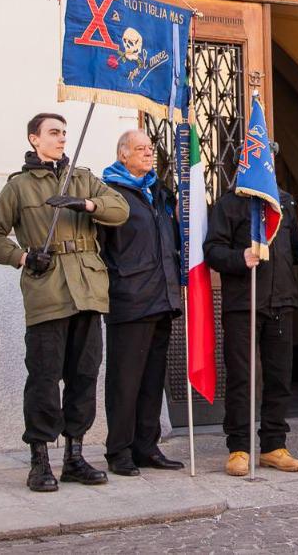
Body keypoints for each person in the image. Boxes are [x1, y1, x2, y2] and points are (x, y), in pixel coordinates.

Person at [0, 112, 129, 491]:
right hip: (48, 292)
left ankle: (75, 456)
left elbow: (120, 209)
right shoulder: (20, 187)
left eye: (64, 133)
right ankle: (40, 459)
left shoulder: (83, 178)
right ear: (34, 140)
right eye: (54, 133)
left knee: (84, 376)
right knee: (44, 379)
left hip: (88, 292)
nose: (62, 139)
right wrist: (23, 258)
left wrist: (86, 205)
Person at [203, 180, 298, 477]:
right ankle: (239, 447)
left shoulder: (284, 200)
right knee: (241, 378)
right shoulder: (229, 203)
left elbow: (295, 248)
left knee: (280, 378)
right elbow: (212, 250)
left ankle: (274, 446)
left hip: (281, 301)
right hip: (243, 304)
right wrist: (239, 257)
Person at [98, 130, 183, 475]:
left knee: (151, 379)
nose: (149, 154)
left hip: (161, 297)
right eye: (141, 149)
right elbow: (102, 248)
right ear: (123, 154)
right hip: (130, 299)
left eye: (151, 149)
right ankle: (118, 450)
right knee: (125, 380)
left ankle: (146, 447)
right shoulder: (110, 194)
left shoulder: (159, 193)